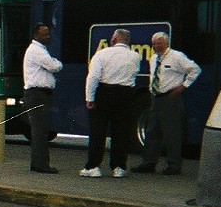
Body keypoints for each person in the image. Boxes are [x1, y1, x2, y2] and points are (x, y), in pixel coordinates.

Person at [132, 32, 201, 175]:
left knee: (172, 133)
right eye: (154, 43)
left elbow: (195, 69)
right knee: (152, 132)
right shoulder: (153, 58)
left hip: (170, 98)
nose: (156, 46)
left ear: (166, 43)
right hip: (156, 98)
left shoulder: (177, 56)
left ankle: (174, 166)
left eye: (159, 43)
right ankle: (149, 163)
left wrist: (184, 86)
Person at [81, 27, 140, 178]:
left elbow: (93, 77)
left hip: (105, 93)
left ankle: (93, 166)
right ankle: (119, 167)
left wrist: (90, 98)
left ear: (113, 39)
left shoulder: (102, 54)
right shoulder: (135, 56)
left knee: (98, 132)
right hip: (126, 94)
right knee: (121, 132)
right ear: (128, 41)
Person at [22, 23, 64, 173]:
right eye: (44, 34)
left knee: (39, 130)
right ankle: (41, 164)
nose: (48, 37)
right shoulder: (37, 51)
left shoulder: (39, 50)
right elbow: (54, 66)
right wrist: (58, 64)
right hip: (37, 95)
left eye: (48, 34)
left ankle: (37, 163)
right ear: (36, 36)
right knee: (41, 131)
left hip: (37, 95)